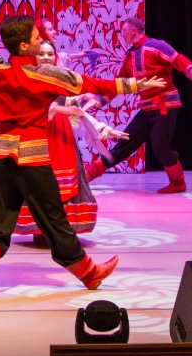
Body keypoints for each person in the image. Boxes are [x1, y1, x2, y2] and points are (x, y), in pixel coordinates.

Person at [0, 3, 164, 299]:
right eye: (38, 38)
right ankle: (89, 273)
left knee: (0, 220)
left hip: (0, 155)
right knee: (54, 218)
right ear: (24, 45)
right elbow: (91, 84)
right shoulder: (46, 75)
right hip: (33, 157)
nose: (42, 41)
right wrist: (135, 85)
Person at [84, 17, 192, 193]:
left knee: (160, 146)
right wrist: (99, 101)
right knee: (125, 141)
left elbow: (176, 58)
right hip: (147, 108)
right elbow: (119, 84)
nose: (122, 34)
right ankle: (92, 172)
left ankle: (178, 182)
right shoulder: (130, 56)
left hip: (164, 105)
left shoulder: (156, 46)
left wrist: (190, 69)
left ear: (133, 30)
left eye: (123, 30)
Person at [12, 40, 117, 241]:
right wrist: (62, 109)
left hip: (62, 138)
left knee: (65, 184)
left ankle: (61, 229)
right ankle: (40, 229)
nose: (46, 57)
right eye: (41, 54)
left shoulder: (63, 78)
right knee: (37, 184)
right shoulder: (26, 77)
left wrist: (103, 129)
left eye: (49, 54)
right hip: (37, 137)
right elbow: (27, 110)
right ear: (34, 56)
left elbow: (77, 111)